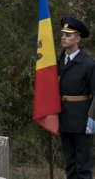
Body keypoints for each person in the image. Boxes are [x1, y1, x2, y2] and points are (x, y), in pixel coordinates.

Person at [58, 17, 95, 179]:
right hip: (64, 118)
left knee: (83, 167)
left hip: (82, 121)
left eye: (68, 34)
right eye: (63, 34)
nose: (64, 37)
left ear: (78, 38)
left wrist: (92, 119)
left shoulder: (88, 64)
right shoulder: (59, 61)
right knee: (70, 165)